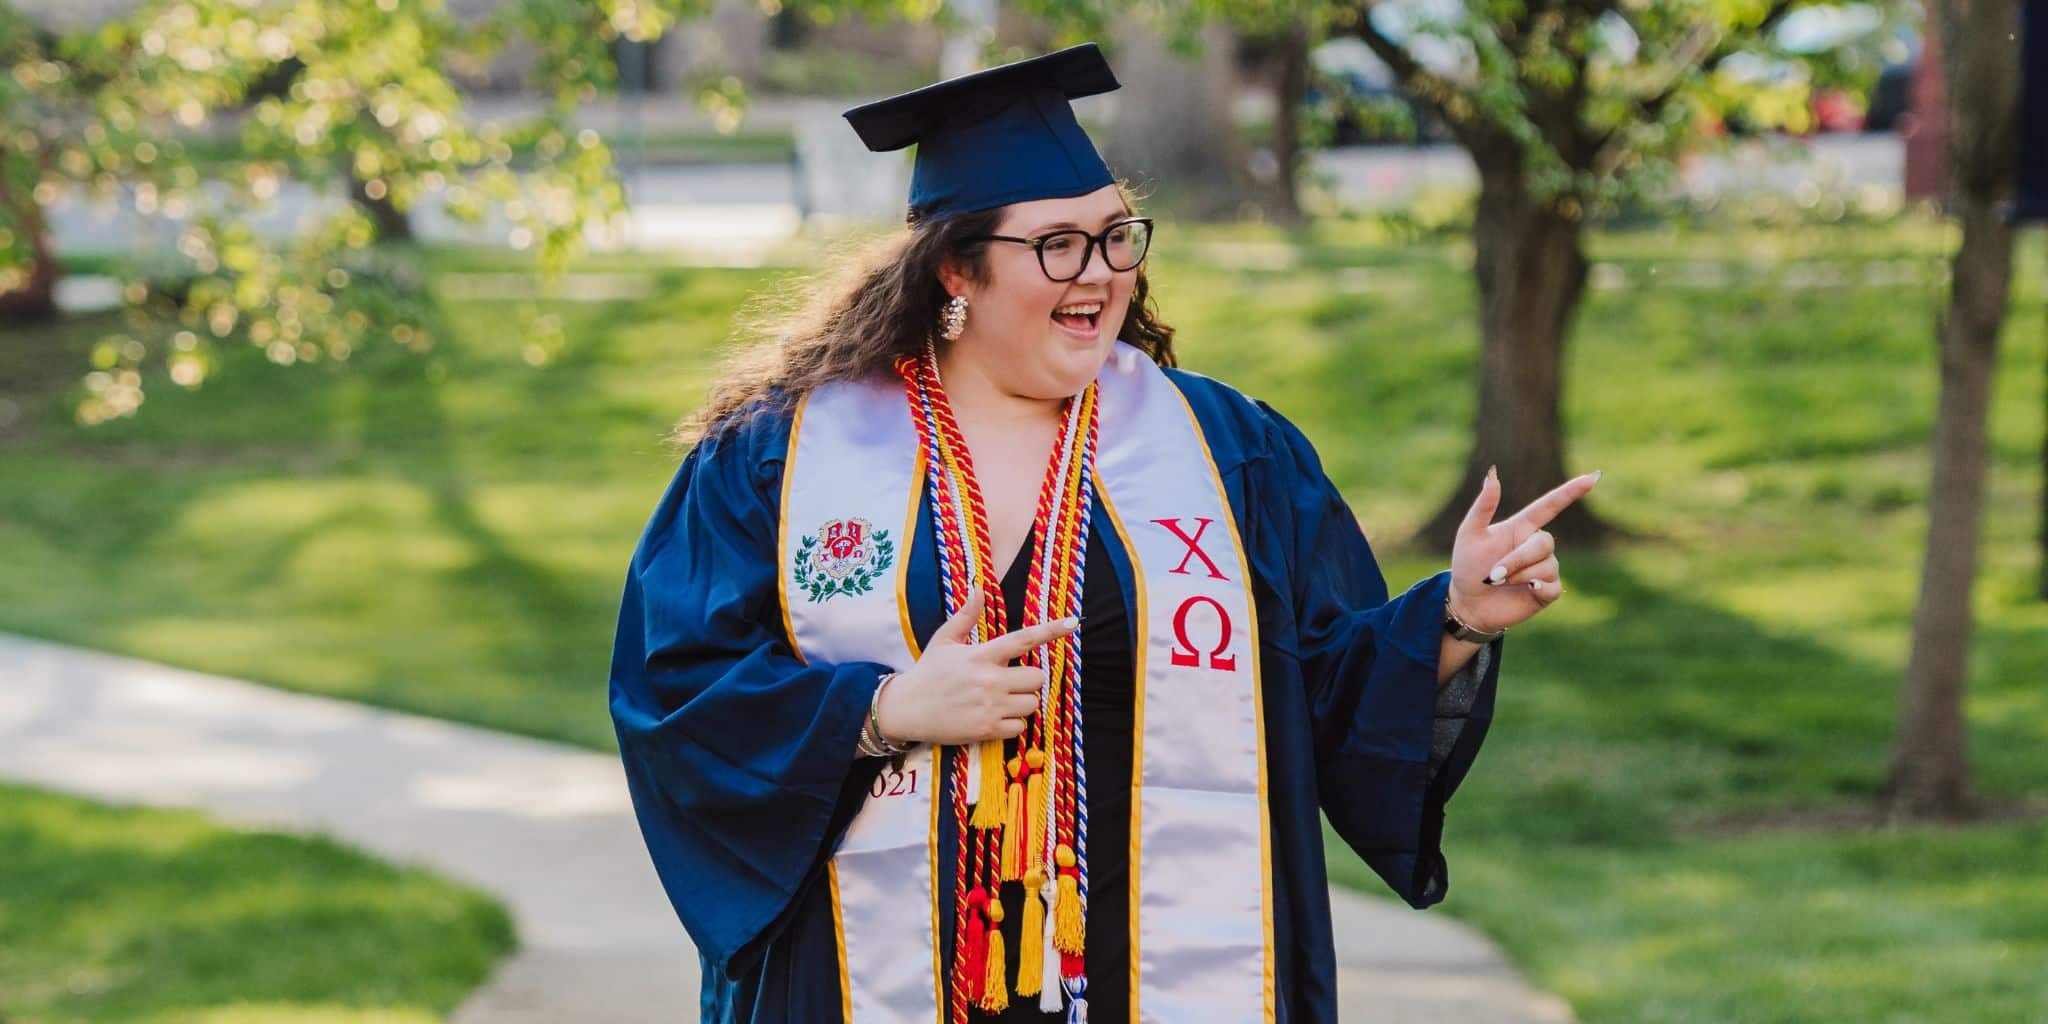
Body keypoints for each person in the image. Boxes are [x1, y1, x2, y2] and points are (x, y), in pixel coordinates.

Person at [609, 42, 1597, 1024]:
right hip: (865, 973)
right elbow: (677, 694)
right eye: (1057, 245)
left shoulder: (1223, 453)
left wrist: (1456, 616)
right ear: (956, 268)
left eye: (1116, 236)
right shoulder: (781, 462)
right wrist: (883, 710)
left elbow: (1323, 687)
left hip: (1148, 963)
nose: (1100, 274)